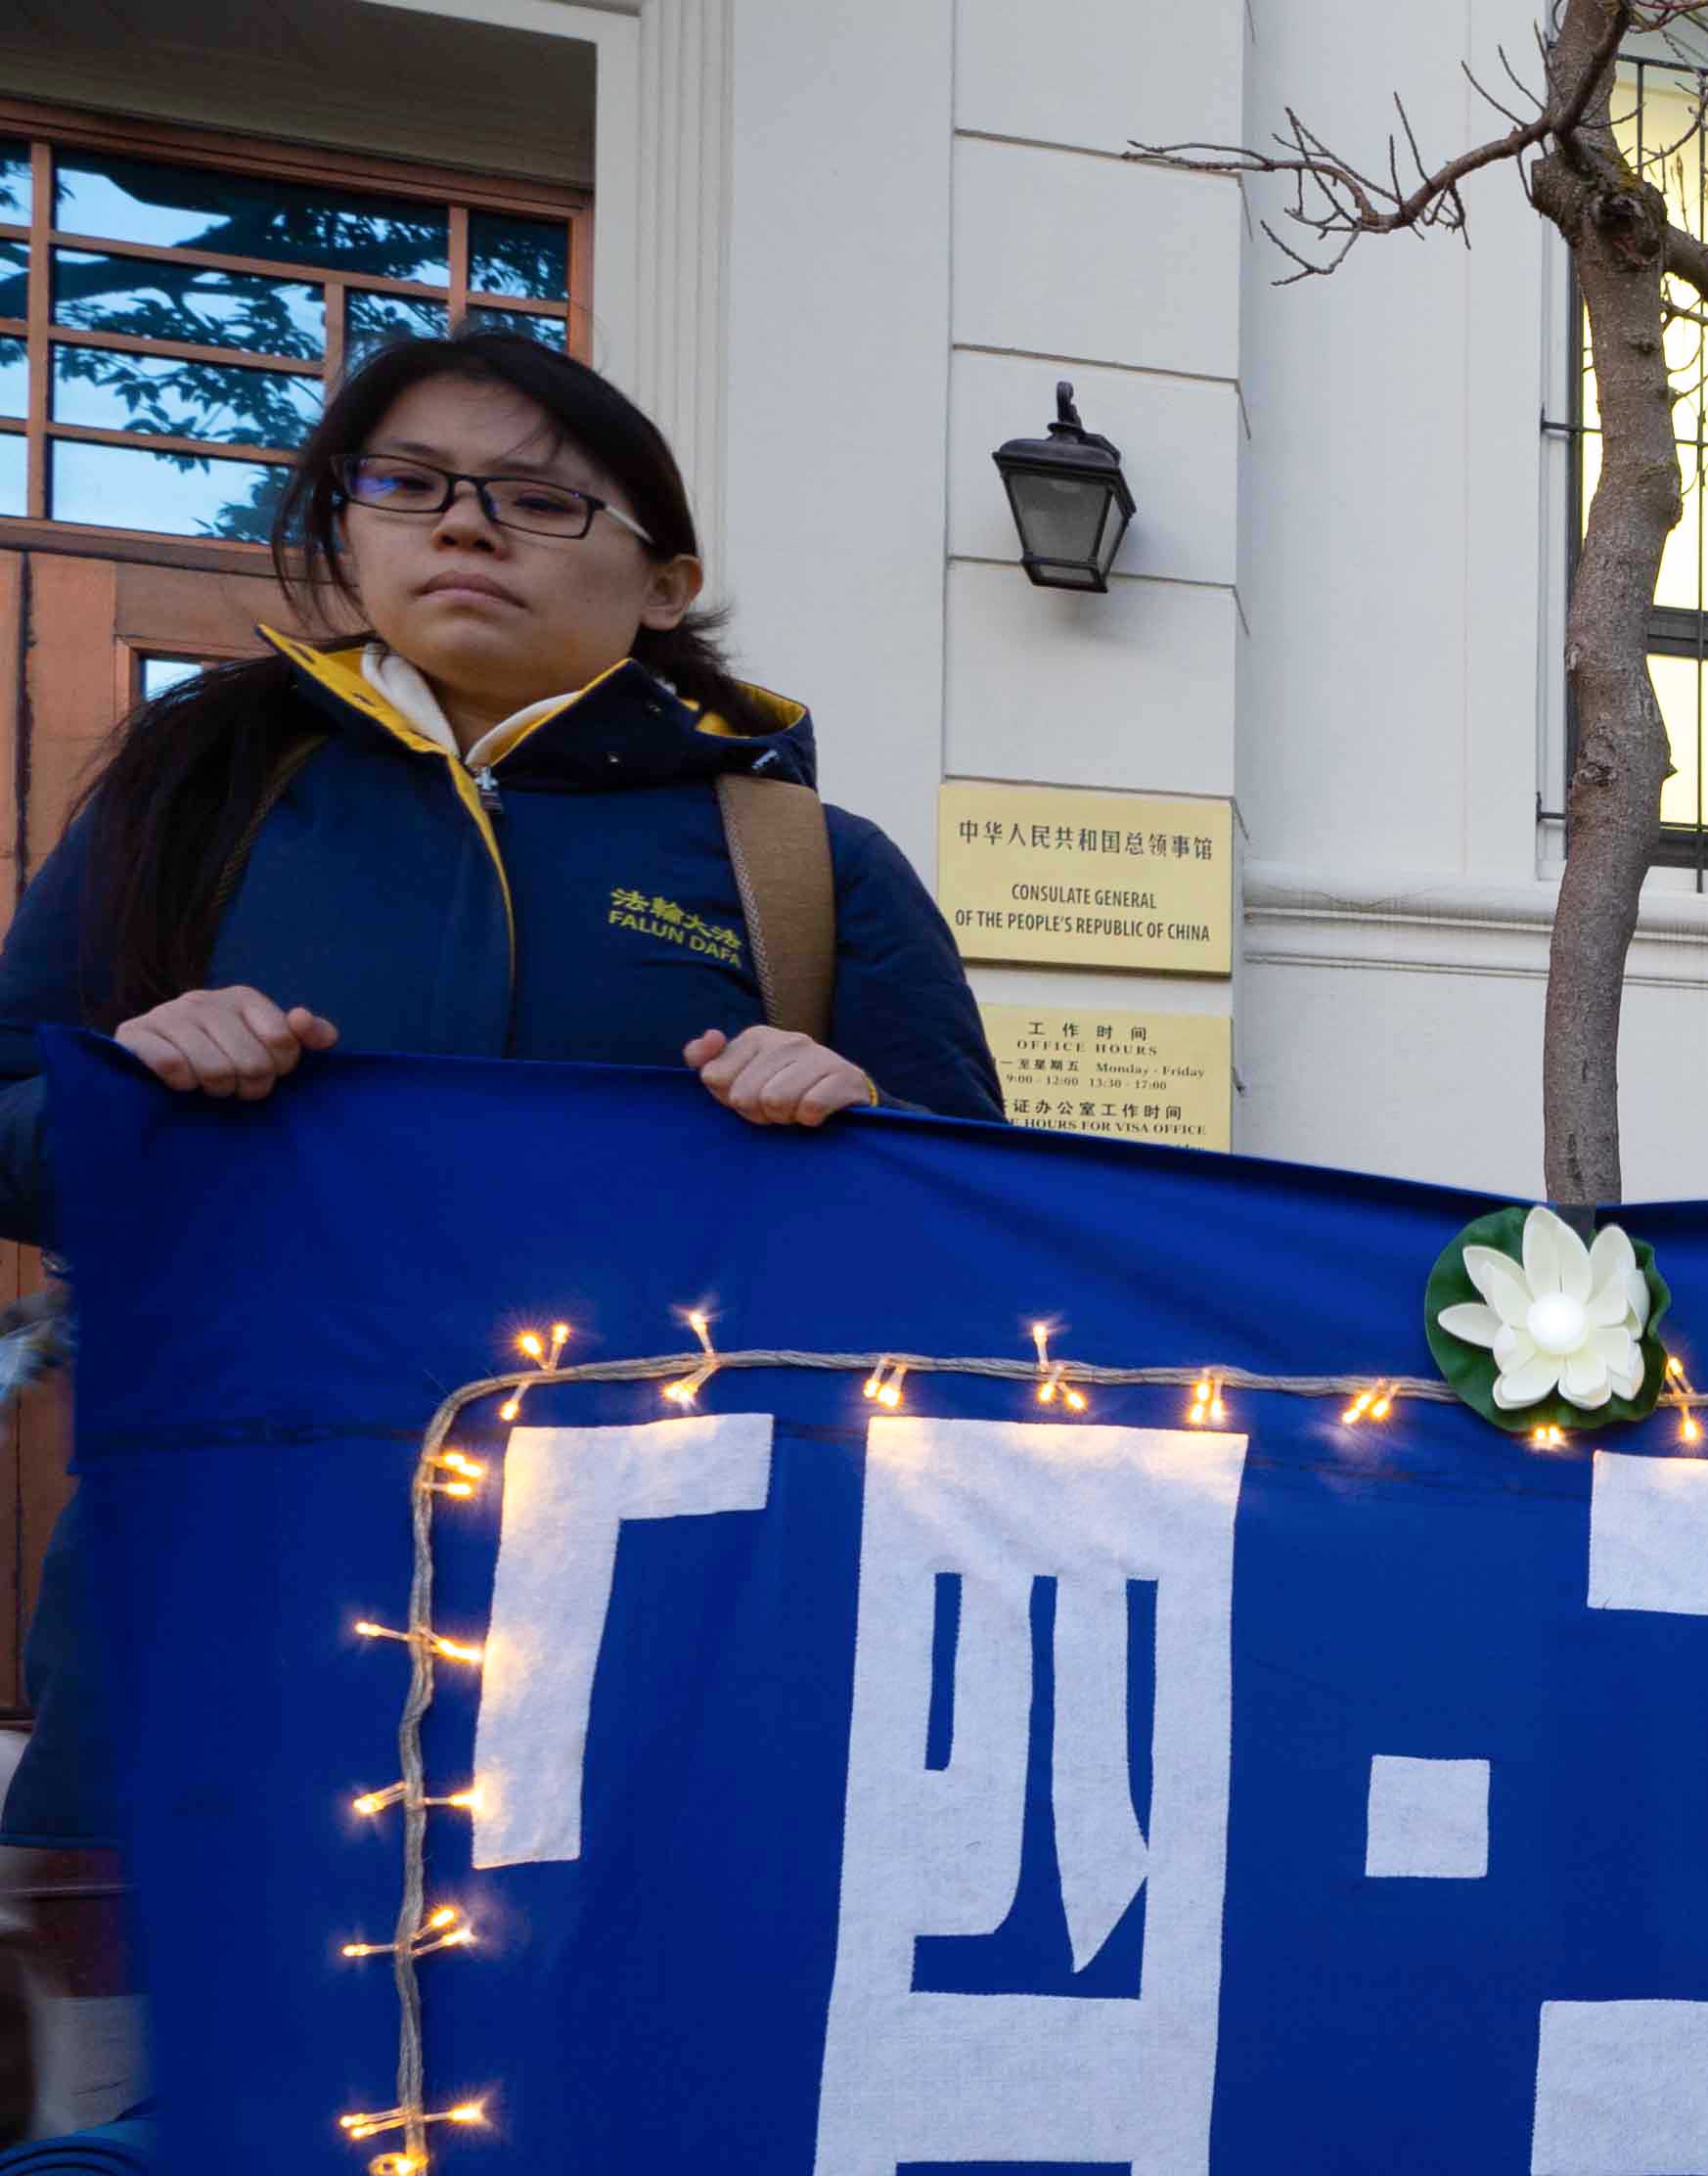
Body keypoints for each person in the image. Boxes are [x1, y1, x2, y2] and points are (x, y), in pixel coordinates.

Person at [0, 330, 997, 1883]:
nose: (464, 526)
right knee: (141, 2032)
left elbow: (974, 1238)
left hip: (663, 1637)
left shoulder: (808, 865)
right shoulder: (190, 800)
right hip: (206, 1607)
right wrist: (132, 1091)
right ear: (348, 526)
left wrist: (860, 1126)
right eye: (410, 484)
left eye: (538, 499)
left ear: (664, 582)